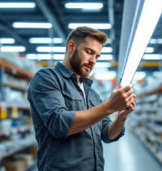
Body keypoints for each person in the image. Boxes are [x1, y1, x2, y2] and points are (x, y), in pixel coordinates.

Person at [27, 26, 136, 171]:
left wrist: (121, 117)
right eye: (89, 52)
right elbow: (58, 123)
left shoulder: (92, 93)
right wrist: (110, 106)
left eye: (97, 56)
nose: (93, 61)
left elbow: (107, 134)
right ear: (71, 46)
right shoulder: (47, 78)